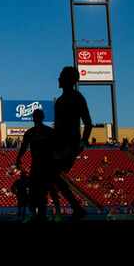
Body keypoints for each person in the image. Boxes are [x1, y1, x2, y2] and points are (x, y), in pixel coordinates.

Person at [51, 66, 92, 220]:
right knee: (51, 176)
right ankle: (75, 208)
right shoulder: (60, 101)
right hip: (60, 146)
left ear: (68, 79)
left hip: (70, 145)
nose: (58, 79)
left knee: (52, 175)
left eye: (61, 76)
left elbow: (88, 123)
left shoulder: (76, 98)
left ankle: (75, 208)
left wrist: (81, 144)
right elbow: (57, 128)